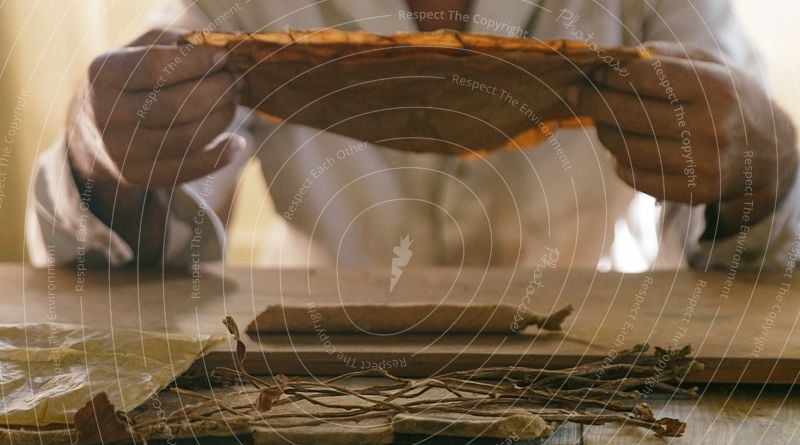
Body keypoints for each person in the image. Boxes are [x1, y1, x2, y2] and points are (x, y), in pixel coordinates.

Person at [27, 0, 800, 273]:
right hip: (312, 369)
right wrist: (105, 160)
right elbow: (130, 246)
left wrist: (766, 165)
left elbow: (761, 199)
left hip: (597, 364)